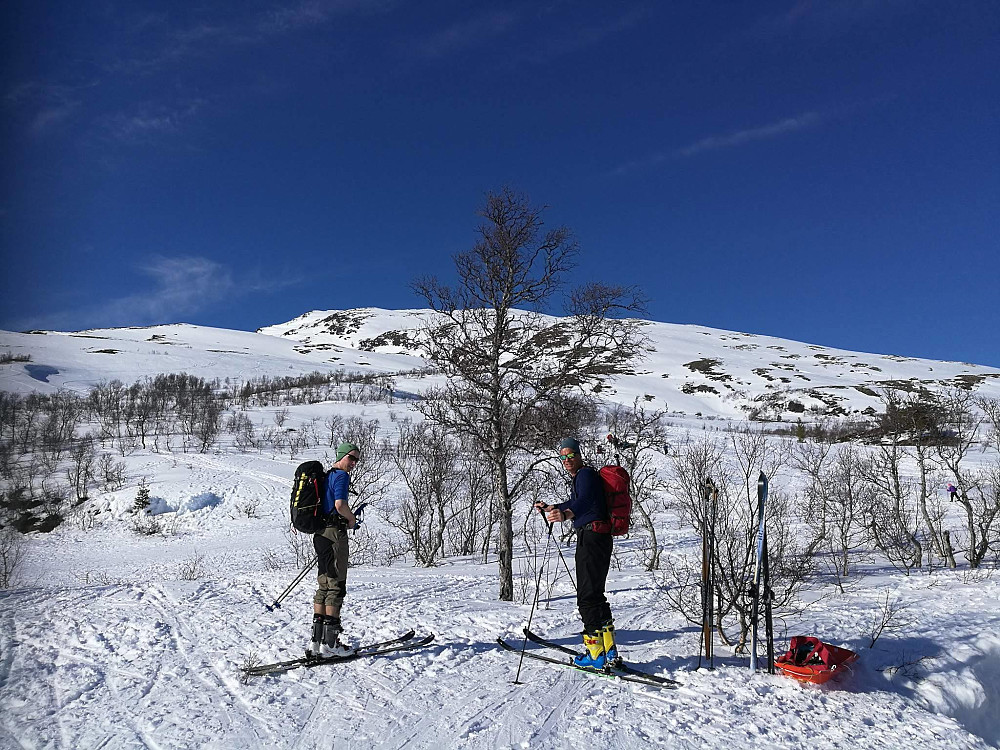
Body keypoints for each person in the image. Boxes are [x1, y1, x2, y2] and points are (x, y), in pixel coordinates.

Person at [534, 437, 619, 669]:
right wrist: (554, 508)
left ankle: (595, 655)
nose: (567, 460)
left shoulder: (585, 475)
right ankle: (609, 651)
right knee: (596, 595)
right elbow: (578, 500)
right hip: (599, 537)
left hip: (591, 538)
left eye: (571, 455)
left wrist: (567, 514)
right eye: (563, 457)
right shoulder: (584, 477)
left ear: (579, 455)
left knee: (586, 598)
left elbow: (586, 501)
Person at [309, 442, 361, 657]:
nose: (354, 464)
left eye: (357, 460)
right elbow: (340, 505)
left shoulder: (327, 475)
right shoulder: (340, 476)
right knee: (336, 586)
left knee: (324, 585)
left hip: (320, 534)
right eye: (351, 458)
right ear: (342, 456)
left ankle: (316, 643)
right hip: (334, 535)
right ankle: (331, 645)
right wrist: (351, 520)